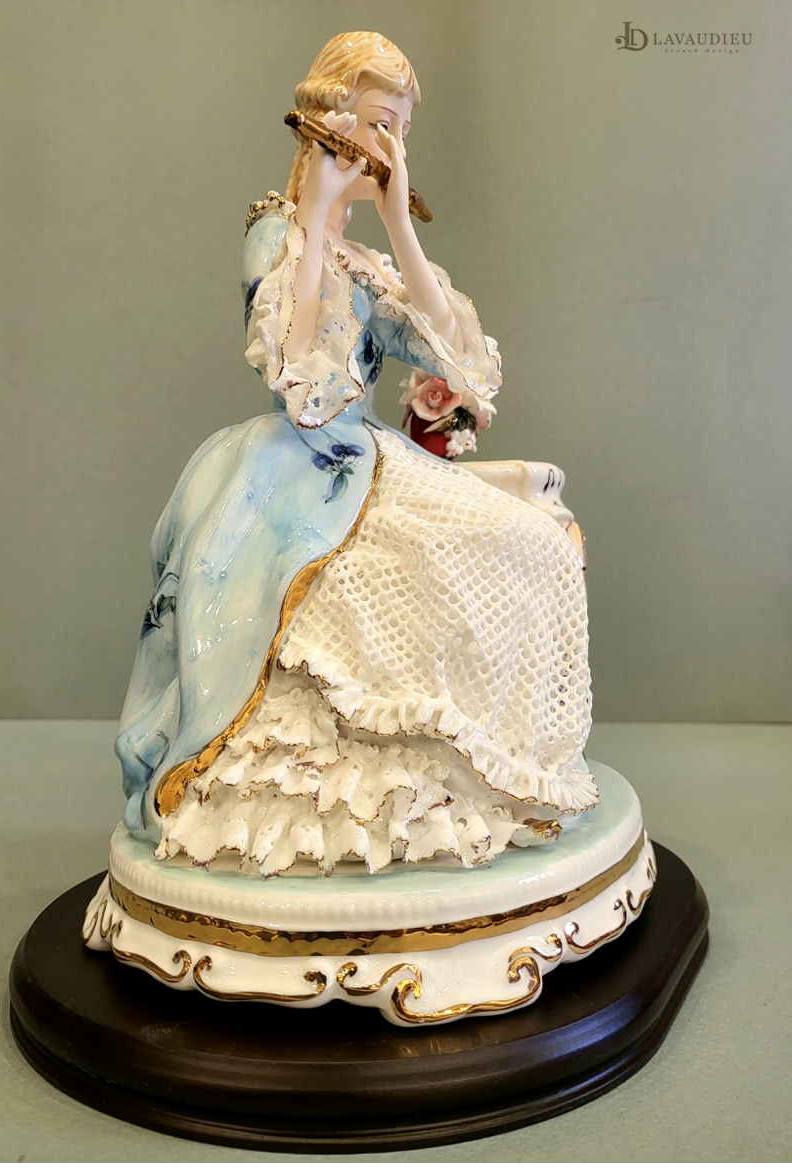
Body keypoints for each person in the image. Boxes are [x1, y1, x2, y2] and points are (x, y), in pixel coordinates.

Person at [115, 32, 595, 876]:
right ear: (330, 119)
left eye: (402, 131)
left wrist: (400, 222)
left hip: (371, 455)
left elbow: (463, 363)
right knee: (499, 541)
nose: (389, 147)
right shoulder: (278, 235)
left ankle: (502, 762)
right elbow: (299, 379)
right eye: (378, 123)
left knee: (534, 536)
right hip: (301, 464)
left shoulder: (367, 259)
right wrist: (313, 215)